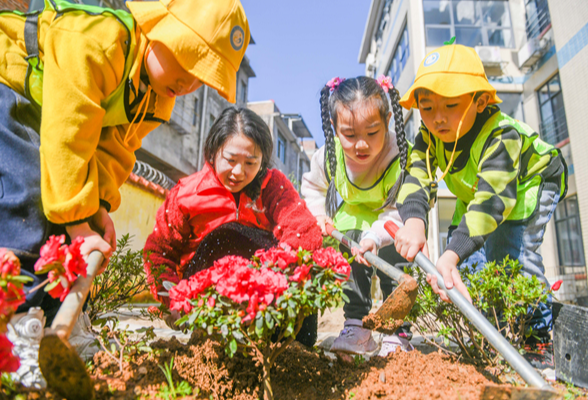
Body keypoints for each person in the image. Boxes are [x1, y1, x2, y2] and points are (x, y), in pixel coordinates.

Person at [0, 0, 250, 386]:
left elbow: (115, 147)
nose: (187, 83)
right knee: (33, 199)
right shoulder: (97, 43)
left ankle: (53, 323)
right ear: (159, 28)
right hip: (12, 85)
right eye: (185, 62)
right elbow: (68, 137)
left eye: (200, 78)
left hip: (50, 113)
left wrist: (97, 209)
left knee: (61, 220)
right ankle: (17, 332)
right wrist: (78, 224)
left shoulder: (156, 98)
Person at [394, 44, 568, 348]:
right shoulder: (429, 135)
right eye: (427, 106)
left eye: (450, 105)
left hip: (529, 182)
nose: (438, 119)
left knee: (513, 255)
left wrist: (449, 255)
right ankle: (490, 332)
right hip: (477, 190)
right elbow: (415, 176)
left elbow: (492, 200)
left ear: (481, 100)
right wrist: (413, 222)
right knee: (468, 261)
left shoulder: (502, 135)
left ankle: (538, 340)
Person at [144, 107, 323, 347]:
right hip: (209, 299)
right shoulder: (186, 195)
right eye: (230, 160)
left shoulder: (272, 186)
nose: (239, 172)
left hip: (266, 294)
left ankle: (290, 344)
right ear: (213, 151)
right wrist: (174, 301)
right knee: (226, 236)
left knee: (302, 266)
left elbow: (304, 231)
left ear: (263, 160)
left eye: (251, 162)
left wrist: (265, 279)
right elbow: (158, 252)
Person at [301, 76, 414, 357]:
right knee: (351, 255)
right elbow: (313, 186)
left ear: (388, 121)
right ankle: (356, 325)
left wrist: (376, 237)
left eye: (372, 132)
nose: (360, 145)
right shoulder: (329, 155)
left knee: (395, 255)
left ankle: (396, 331)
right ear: (335, 129)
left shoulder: (399, 156)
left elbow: (403, 207)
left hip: (392, 217)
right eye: (350, 135)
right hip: (352, 216)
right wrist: (319, 216)